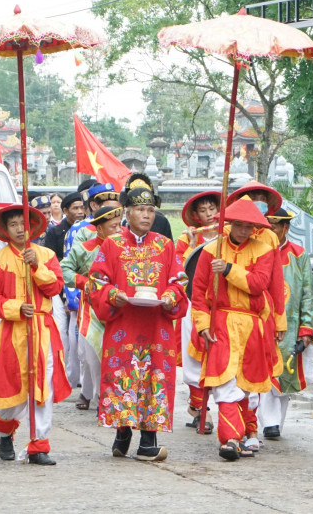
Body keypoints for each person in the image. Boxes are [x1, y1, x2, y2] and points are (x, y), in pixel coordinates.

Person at [89, 186, 187, 463]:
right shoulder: (112, 244)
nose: (146, 215)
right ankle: (122, 432)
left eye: (150, 210)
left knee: (155, 376)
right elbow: (97, 279)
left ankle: (147, 441)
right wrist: (113, 295)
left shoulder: (164, 245)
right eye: (141, 210)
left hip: (156, 326)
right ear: (127, 213)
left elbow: (179, 280)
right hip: (125, 324)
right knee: (123, 374)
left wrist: (170, 297)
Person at [190, 198, 286, 461]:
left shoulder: (264, 250)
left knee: (246, 385)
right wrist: (203, 325)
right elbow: (198, 293)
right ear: (229, 224)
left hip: (253, 325)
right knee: (223, 382)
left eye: (249, 227)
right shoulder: (211, 250)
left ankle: (245, 433)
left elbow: (259, 284)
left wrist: (228, 269)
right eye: (239, 225)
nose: (243, 231)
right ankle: (230, 439)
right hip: (220, 323)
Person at [0, 203, 70, 465]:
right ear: (5, 230)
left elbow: (55, 288)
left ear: (32, 226)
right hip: (12, 332)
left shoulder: (46, 254)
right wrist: (16, 308)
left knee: (43, 387)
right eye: (13, 224)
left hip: (42, 331)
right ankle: (5, 429)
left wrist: (37, 267)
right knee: (12, 390)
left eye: (23, 223)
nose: (20, 229)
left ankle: (39, 445)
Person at [258, 208, 313, 440]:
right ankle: (269, 423)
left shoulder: (299, 255)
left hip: (290, 326)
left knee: (285, 376)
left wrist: (306, 329)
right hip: (262, 322)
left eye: (273, 228)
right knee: (264, 372)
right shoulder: (258, 251)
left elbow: (307, 293)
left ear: (285, 228)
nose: (269, 232)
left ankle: (275, 423)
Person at [61, 199, 121, 411]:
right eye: (113, 227)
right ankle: (97, 398)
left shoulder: (126, 247)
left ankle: (109, 399)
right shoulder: (85, 249)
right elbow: (64, 269)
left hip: (119, 307)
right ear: (100, 229)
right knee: (92, 355)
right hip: (92, 310)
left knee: (114, 354)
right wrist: (84, 283)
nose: (118, 230)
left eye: (119, 225)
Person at [177, 190, 222, 428]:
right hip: (194, 303)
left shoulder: (228, 234)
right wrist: (192, 246)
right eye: (203, 210)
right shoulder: (187, 237)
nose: (208, 214)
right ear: (196, 214)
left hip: (223, 305)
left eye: (212, 209)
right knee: (193, 355)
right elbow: (179, 271)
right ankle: (200, 410)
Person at [46, 190, 88, 388]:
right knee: (64, 333)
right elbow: (54, 263)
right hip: (60, 288)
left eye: (81, 208)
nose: (79, 211)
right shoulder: (55, 232)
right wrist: (65, 295)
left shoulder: (87, 231)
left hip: (80, 288)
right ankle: (66, 374)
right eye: (75, 208)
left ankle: (79, 377)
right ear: (65, 211)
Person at [122, 173, 174, 241]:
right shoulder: (113, 242)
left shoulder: (165, 243)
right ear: (128, 215)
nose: (146, 215)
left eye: (151, 210)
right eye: (140, 209)